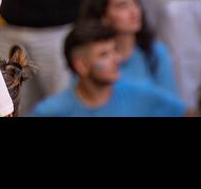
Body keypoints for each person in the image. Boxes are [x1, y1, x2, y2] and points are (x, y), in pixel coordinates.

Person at [30, 20, 187, 117]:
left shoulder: (140, 95)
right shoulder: (51, 111)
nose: (117, 59)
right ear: (81, 66)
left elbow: (183, 112)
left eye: (115, 51)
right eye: (104, 55)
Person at [78, 0, 179, 96]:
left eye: (135, 3)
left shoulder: (156, 52)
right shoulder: (88, 57)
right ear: (103, 17)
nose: (134, 12)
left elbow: (170, 106)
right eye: (123, 6)